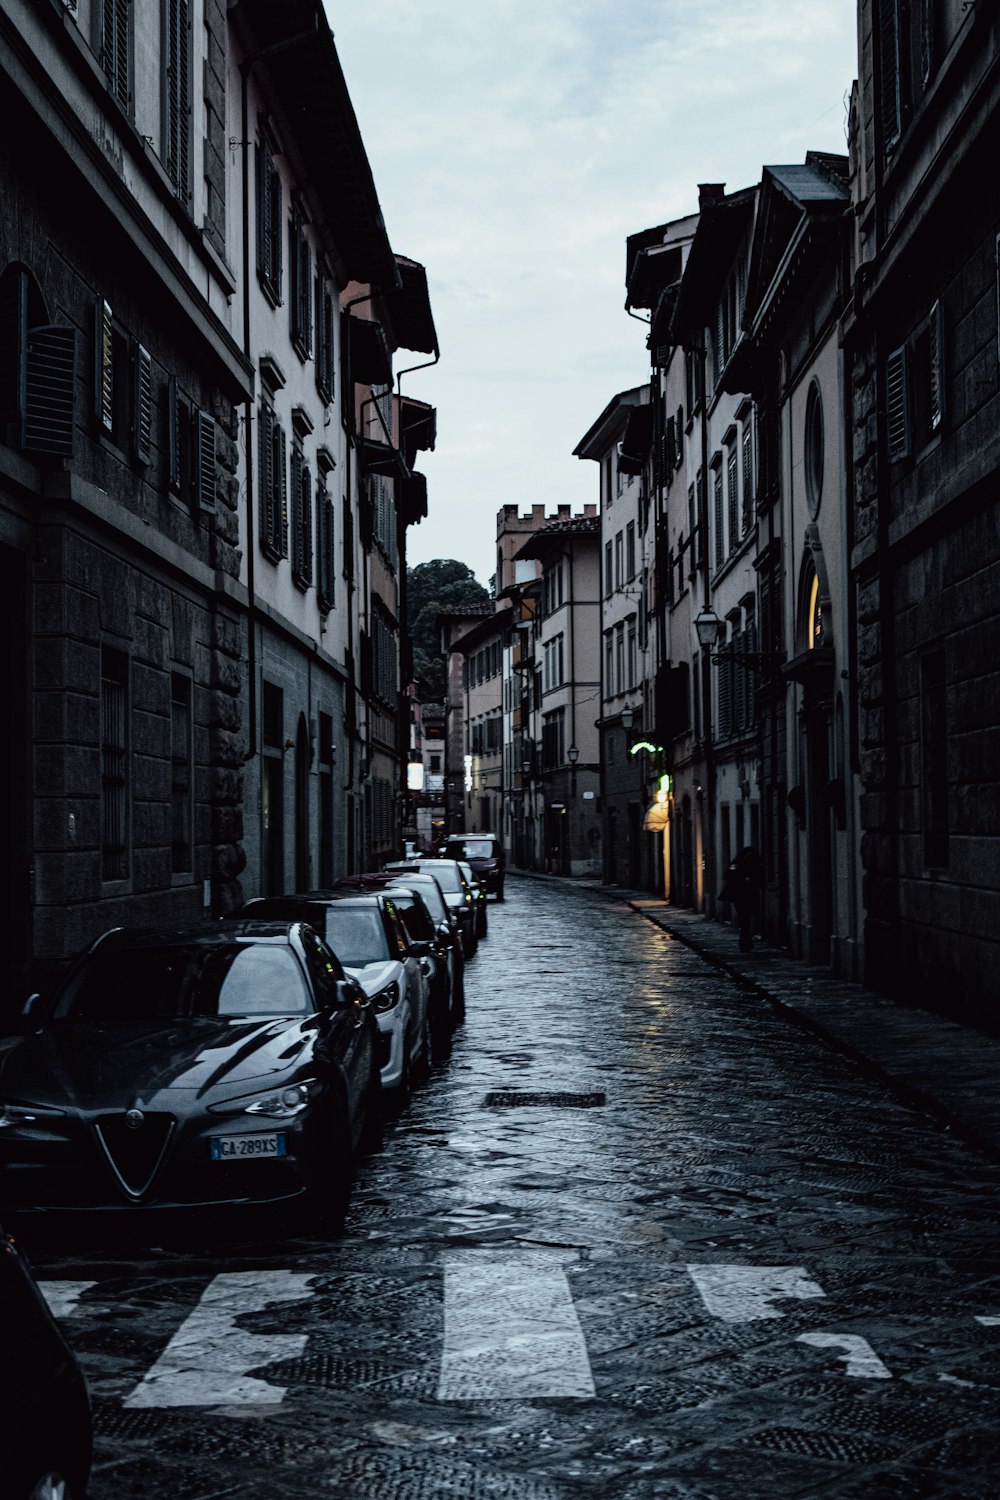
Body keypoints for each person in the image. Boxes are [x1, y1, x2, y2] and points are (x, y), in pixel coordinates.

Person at [720, 846, 763, 953]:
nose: (749, 859)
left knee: (746, 919)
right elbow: (727, 875)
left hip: (749, 896)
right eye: (748, 856)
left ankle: (745, 942)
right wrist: (742, 878)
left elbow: (760, 880)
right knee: (744, 918)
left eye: (751, 857)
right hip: (738, 895)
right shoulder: (736, 864)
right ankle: (745, 943)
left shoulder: (755, 866)